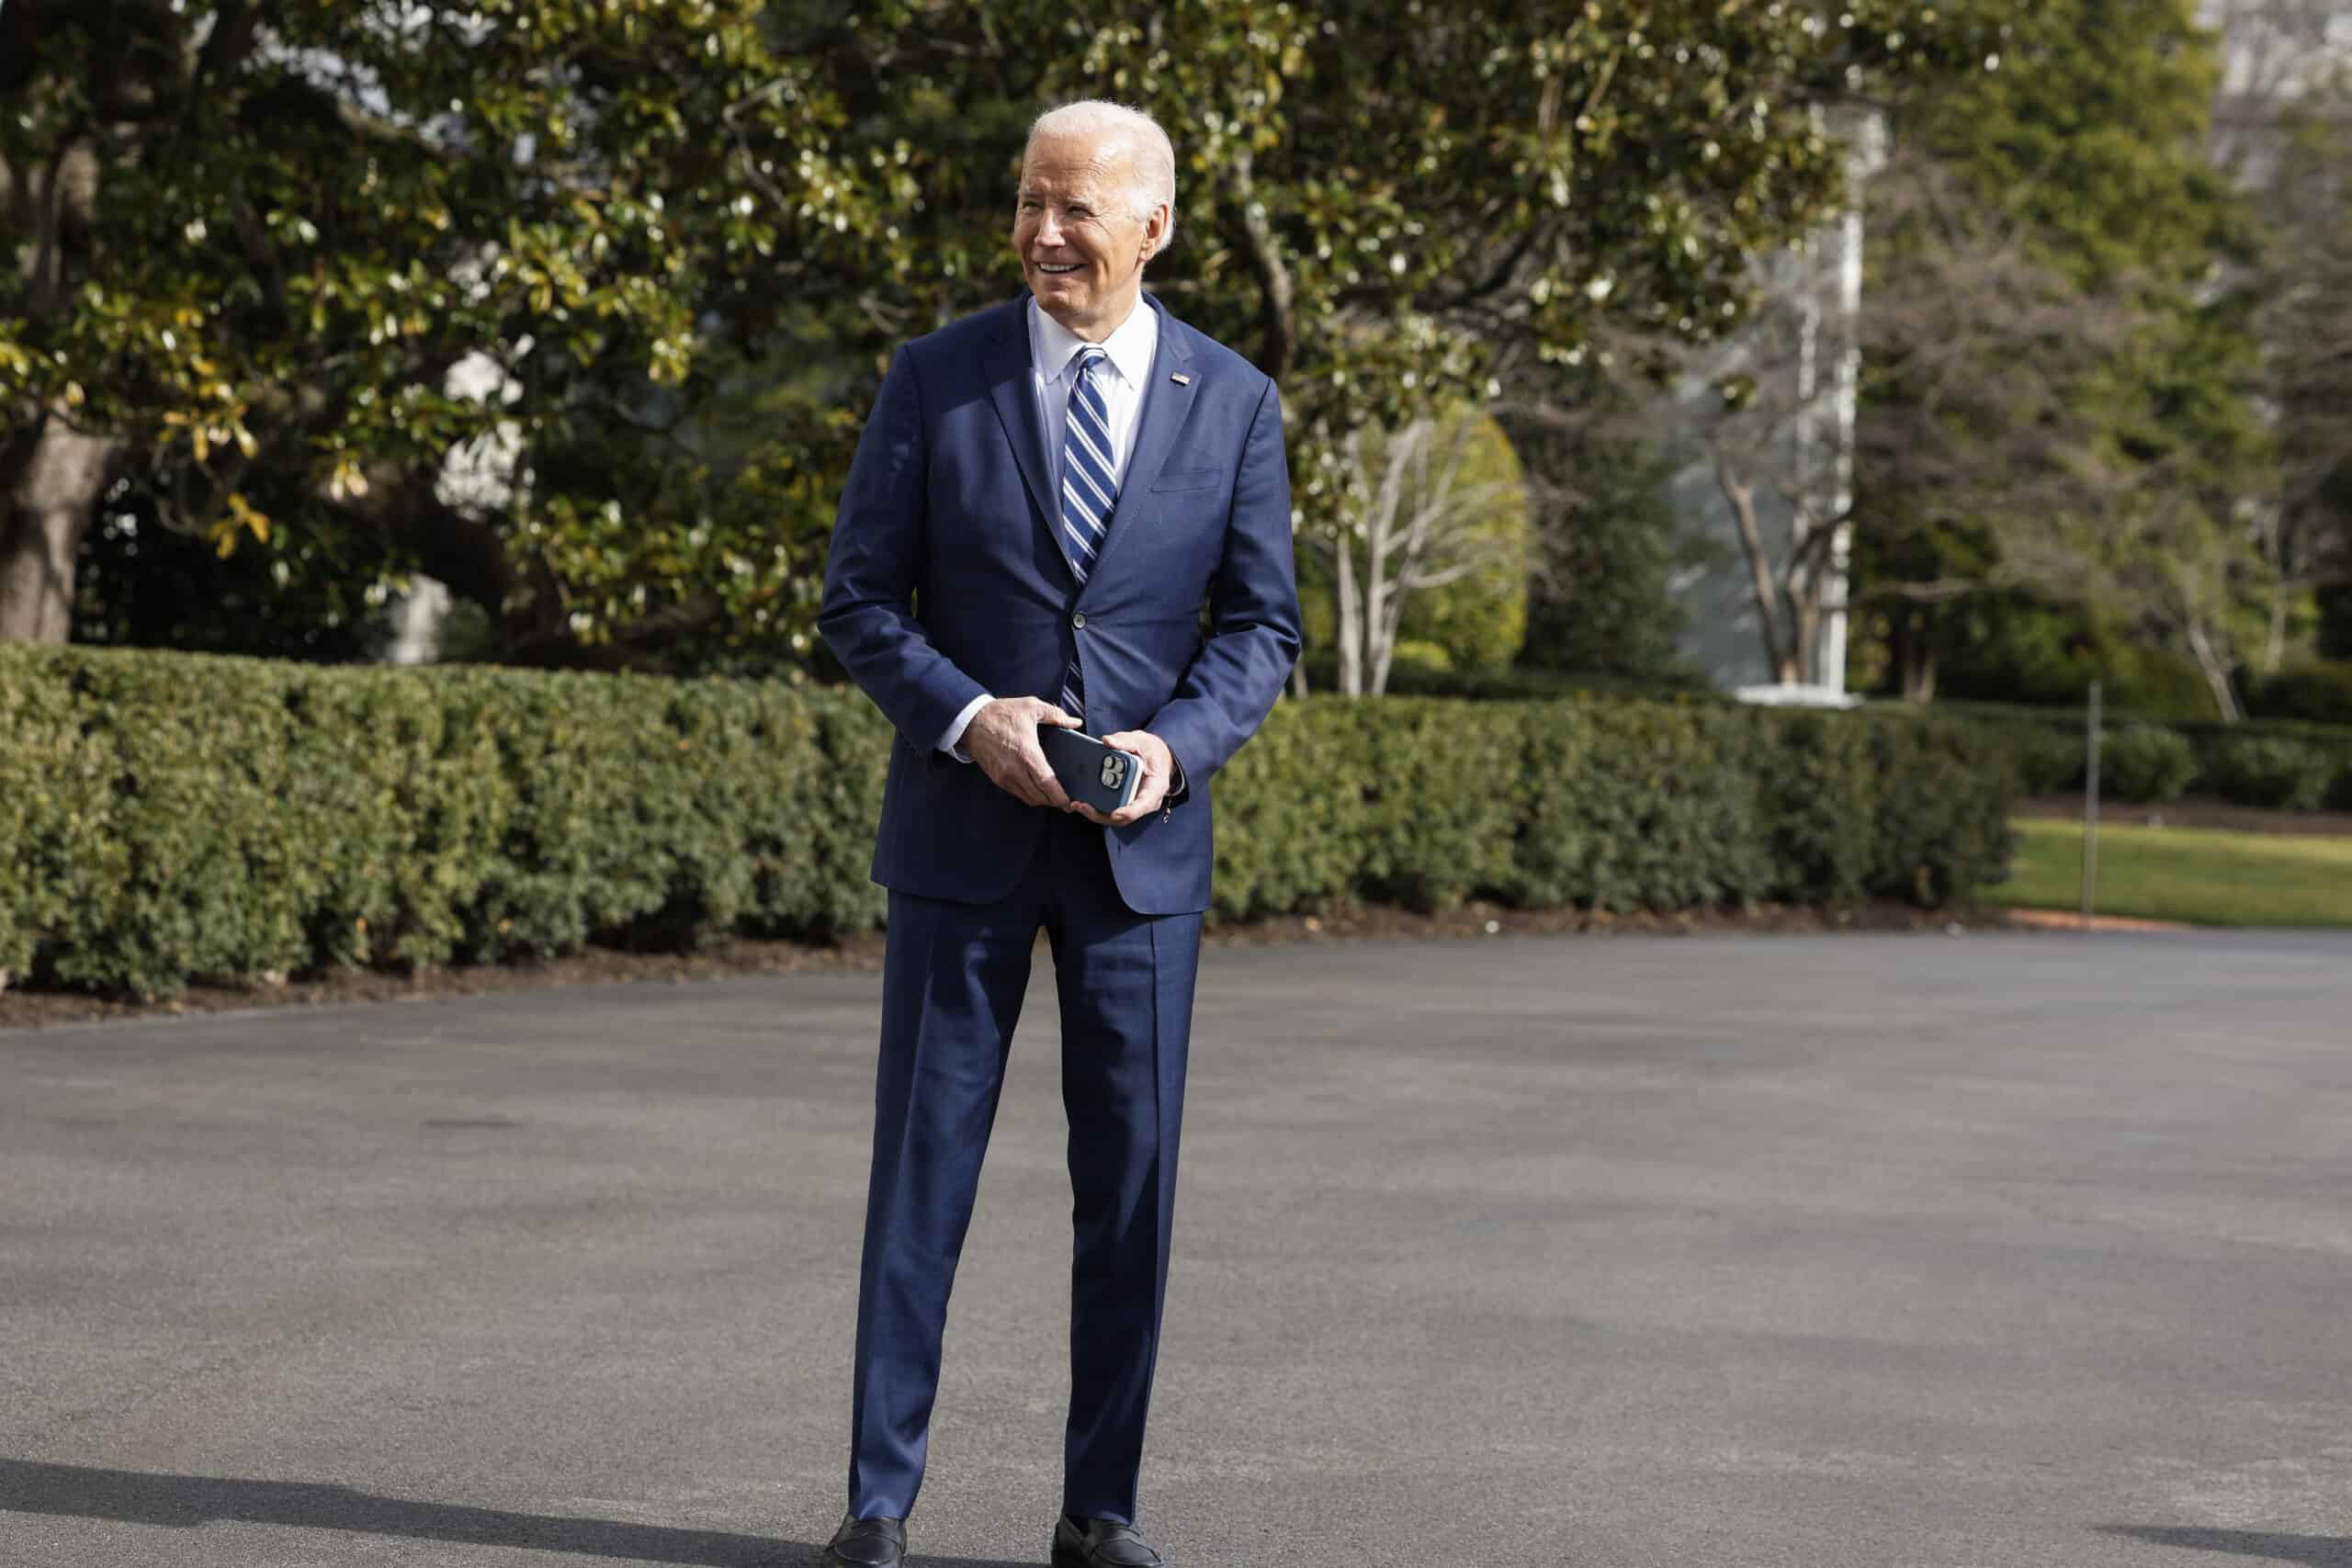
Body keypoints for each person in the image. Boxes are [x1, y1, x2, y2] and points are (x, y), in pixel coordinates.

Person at [813, 98, 1302, 1568]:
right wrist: (974, 719)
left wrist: (1173, 745)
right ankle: (877, 1508)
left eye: (1075, 209)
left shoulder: (1237, 403)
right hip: (961, 839)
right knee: (922, 1183)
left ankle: (1101, 1513)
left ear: (1154, 224)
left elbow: (1265, 628)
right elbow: (859, 602)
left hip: (1141, 865)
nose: (1042, 233)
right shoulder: (935, 379)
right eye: (1030, 202)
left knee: (1131, 1196)